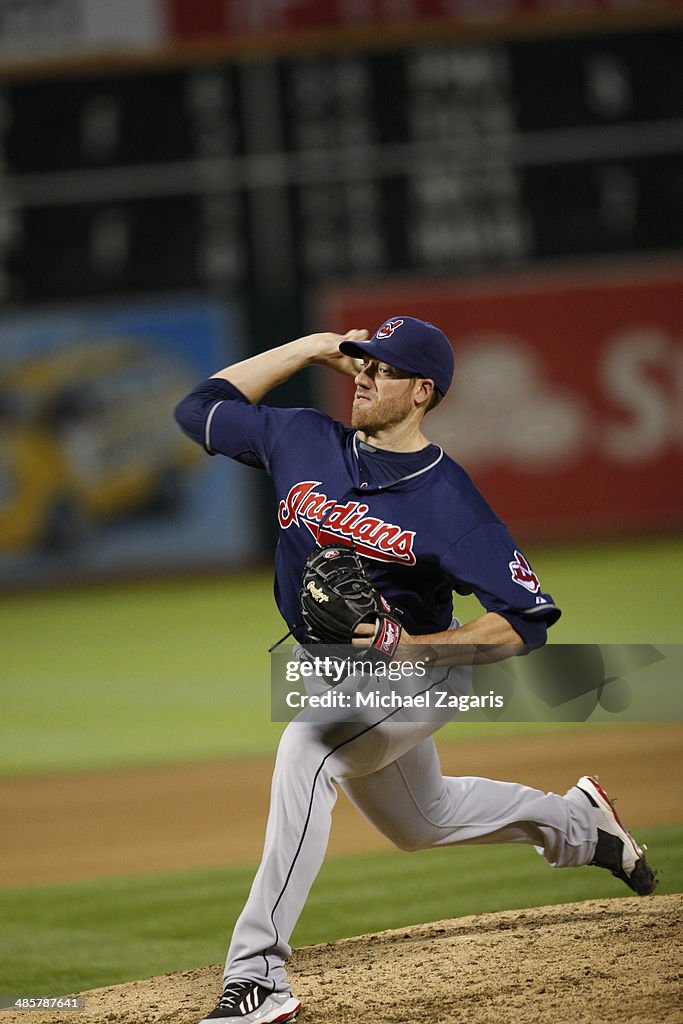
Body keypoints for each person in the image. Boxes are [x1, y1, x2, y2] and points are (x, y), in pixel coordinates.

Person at [174, 316, 656, 1024]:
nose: (363, 375)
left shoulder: (448, 500)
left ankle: (257, 978)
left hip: (419, 669)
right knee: (421, 821)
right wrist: (312, 348)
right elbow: (197, 411)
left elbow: (523, 621)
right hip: (335, 672)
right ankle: (580, 825)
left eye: (383, 368)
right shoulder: (301, 436)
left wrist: (407, 647)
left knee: (307, 754)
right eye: (361, 361)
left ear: (422, 391)